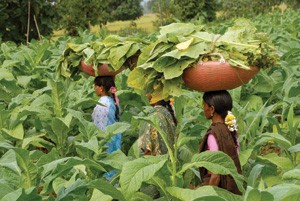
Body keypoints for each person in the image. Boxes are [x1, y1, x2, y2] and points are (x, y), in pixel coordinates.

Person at [199, 90, 242, 195]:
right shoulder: (232, 130)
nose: (203, 108)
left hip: (219, 189)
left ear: (212, 109)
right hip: (233, 187)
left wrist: (209, 196)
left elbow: (216, 173)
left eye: (204, 105)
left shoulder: (213, 135)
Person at [92, 75, 121, 180]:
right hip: (116, 139)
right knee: (114, 166)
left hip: (106, 141)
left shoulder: (102, 103)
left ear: (101, 88)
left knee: (105, 168)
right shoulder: (113, 101)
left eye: (95, 86)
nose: (94, 89)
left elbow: (100, 126)